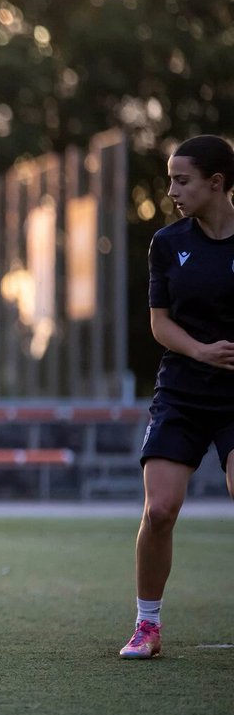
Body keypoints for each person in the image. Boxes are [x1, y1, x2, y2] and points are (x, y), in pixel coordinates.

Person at [119, 134, 234, 659]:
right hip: (183, 393)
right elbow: (159, 324)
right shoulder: (166, 243)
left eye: (181, 181)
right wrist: (202, 352)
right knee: (160, 509)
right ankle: (147, 625)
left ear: (217, 184)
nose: (172, 191)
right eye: (169, 180)